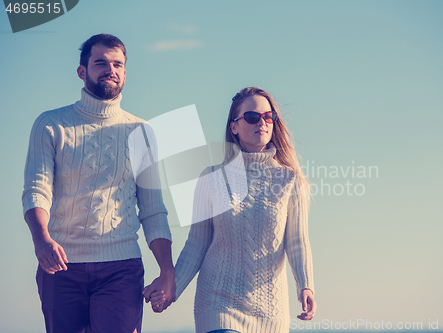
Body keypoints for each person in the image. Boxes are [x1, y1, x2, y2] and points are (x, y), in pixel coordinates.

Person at [22, 34, 175, 333]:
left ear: (125, 73)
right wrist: (41, 239)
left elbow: (153, 210)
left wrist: (166, 271)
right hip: (61, 266)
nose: (110, 69)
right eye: (101, 63)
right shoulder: (50, 124)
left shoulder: (141, 132)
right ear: (82, 71)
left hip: (121, 268)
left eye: (118, 64)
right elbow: (36, 190)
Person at [145, 87, 316, 333]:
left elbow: (298, 242)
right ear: (234, 126)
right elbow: (197, 244)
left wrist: (306, 286)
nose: (263, 123)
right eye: (252, 117)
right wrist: (172, 289)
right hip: (218, 304)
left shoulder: (289, 179)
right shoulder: (212, 177)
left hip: (270, 310)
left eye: (269, 117)